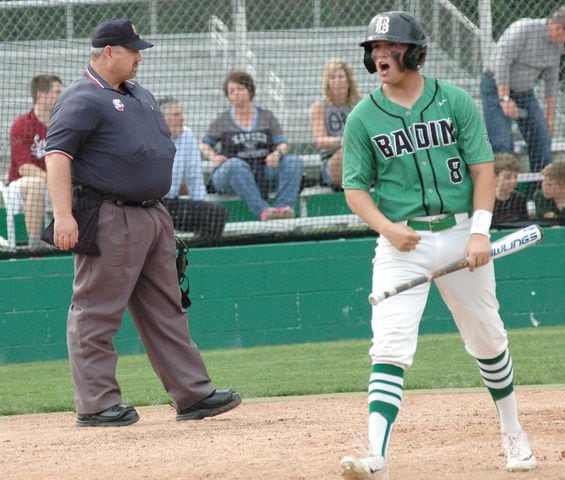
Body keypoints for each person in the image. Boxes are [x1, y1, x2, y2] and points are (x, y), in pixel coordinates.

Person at [340, 11, 536, 479]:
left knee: (487, 336)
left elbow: (483, 169)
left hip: (460, 232)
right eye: (375, 48)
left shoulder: (454, 100)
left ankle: (514, 433)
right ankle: (377, 456)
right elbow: (355, 189)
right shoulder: (363, 118)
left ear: (415, 52)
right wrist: (387, 228)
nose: (380, 55)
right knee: (388, 345)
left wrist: (479, 231)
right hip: (401, 242)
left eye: (390, 47)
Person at [43, 18, 240, 427]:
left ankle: (193, 394)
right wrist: (63, 216)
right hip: (110, 214)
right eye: (133, 50)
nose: (139, 57)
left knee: (166, 310)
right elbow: (58, 156)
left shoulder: (137, 94)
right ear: (109, 51)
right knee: (96, 312)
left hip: (153, 214)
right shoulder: (81, 97)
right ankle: (97, 404)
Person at [200, 70, 303, 221]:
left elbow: (283, 144)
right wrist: (213, 157)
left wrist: (277, 154)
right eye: (232, 91)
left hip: (263, 171)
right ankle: (264, 211)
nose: (236, 94)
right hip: (230, 176)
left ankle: (283, 209)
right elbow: (204, 144)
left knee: (293, 161)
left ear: (250, 91)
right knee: (235, 165)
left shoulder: (266, 116)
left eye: (240, 89)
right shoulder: (222, 120)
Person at [480, 6, 565, 177]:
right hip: (495, 87)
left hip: (524, 93)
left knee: (542, 140)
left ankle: (539, 192)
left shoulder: (557, 47)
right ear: (558, 28)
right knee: (502, 144)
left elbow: (551, 82)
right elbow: (501, 62)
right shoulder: (524, 29)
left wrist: (550, 118)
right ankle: (502, 196)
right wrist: (504, 98)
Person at [158, 97, 228, 238]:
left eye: (181, 113)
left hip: (172, 203)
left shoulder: (187, 135)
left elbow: (194, 176)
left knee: (215, 213)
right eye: (176, 115)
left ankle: (203, 253)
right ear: (162, 118)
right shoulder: (150, 137)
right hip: (148, 205)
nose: (182, 118)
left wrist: (201, 205)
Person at [8, 74, 63, 250]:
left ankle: (68, 243)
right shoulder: (22, 124)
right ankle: (34, 247)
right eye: (57, 92)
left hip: (55, 185)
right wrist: (55, 180)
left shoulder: (63, 124)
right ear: (41, 95)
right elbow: (25, 168)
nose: (61, 96)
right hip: (20, 186)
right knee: (36, 183)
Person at [309, 58, 360, 191]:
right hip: (333, 160)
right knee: (347, 150)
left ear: (348, 81)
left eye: (340, 77)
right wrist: (344, 141)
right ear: (328, 83)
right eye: (332, 78)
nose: (337, 81)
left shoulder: (360, 105)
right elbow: (320, 141)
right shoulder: (319, 107)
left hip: (361, 155)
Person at [492, 153, 528, 224]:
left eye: (515, 177)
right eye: (507, 177)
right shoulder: (485, 201)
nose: (513, 181)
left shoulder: (520, 199)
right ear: (495, 177)